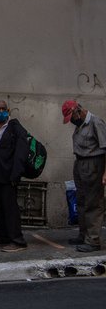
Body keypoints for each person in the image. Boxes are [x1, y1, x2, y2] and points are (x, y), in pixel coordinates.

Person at [0, 100, 29, 253]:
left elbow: (21, 152)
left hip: (9, 175)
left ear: (8, 111)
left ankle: (17, 240)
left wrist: (15, 175)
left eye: (4, 109)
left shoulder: (15, 127)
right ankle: (2, 236)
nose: (1, 111)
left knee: (10, 209)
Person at [62, 100, 106, 252]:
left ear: (78, 111)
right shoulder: (80, 125)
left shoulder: (96, 123)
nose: (72, 121)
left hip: (94, 164)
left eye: (72, 117)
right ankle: (83, 235)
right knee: (81, 201)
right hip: (80, 164)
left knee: (93, 203)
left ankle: (93, 240)